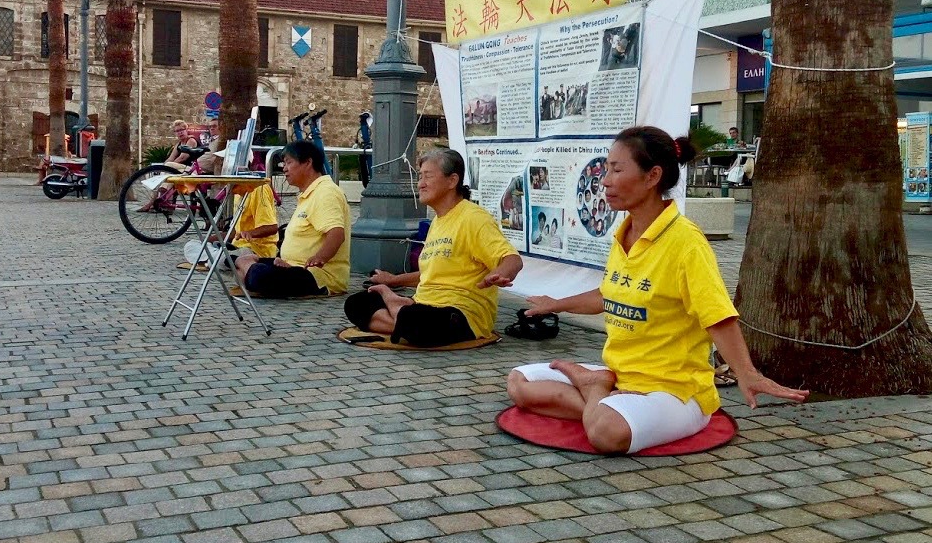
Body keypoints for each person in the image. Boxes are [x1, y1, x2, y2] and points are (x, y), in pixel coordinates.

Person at [507, 126, 808, 454]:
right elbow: (609, 296)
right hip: (620, 375)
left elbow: (717, 316)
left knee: (606, 433)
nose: (605, 181)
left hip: (674, 391)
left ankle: (595, 392)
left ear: (652, 176)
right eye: (606, 169)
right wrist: (556, 304)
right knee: (519, 382)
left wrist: (747, 373)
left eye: (617, 170)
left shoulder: (686, 242)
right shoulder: (625, 233)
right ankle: (601, 395)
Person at [344, 149, 523, 347]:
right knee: (356, 303)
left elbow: (513, 260)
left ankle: (398, 311)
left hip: (460, 312)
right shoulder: (437, 221)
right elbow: (430, 274)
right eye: (420, 177)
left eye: (428, 176)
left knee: (418, 320)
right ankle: (401, 316)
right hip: (421, 304)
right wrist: (393, 280)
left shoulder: (474, 218)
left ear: (452, 181)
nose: (420, 184)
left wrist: (499, 273)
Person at [234, 141, 350, 297]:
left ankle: (250, 274)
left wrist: (319, 258)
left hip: (317, 276)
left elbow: (336, 233)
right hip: (293, 267)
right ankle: (249, 272)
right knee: (240, 262)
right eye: (284, 163)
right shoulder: (309, 193)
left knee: (258, 275)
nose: (284, 168)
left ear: (308, 162)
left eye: (289, 162)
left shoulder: (326, 192)